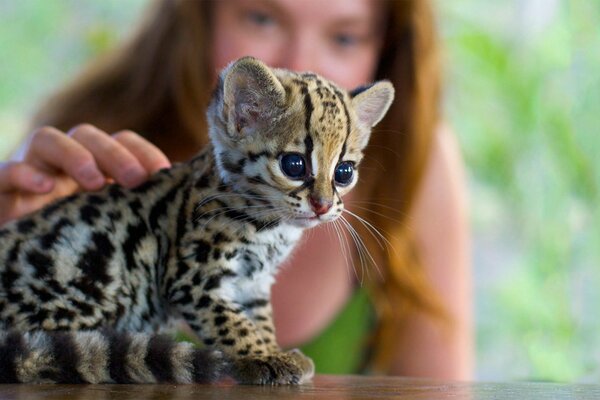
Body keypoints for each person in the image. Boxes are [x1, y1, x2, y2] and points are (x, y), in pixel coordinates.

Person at [0, 0, 472, 379]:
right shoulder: (77, 149)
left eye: (344, 35)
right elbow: (201, 288)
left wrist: (262, 354)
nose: (299, 62)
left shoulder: (417, 166)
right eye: (262, 17)